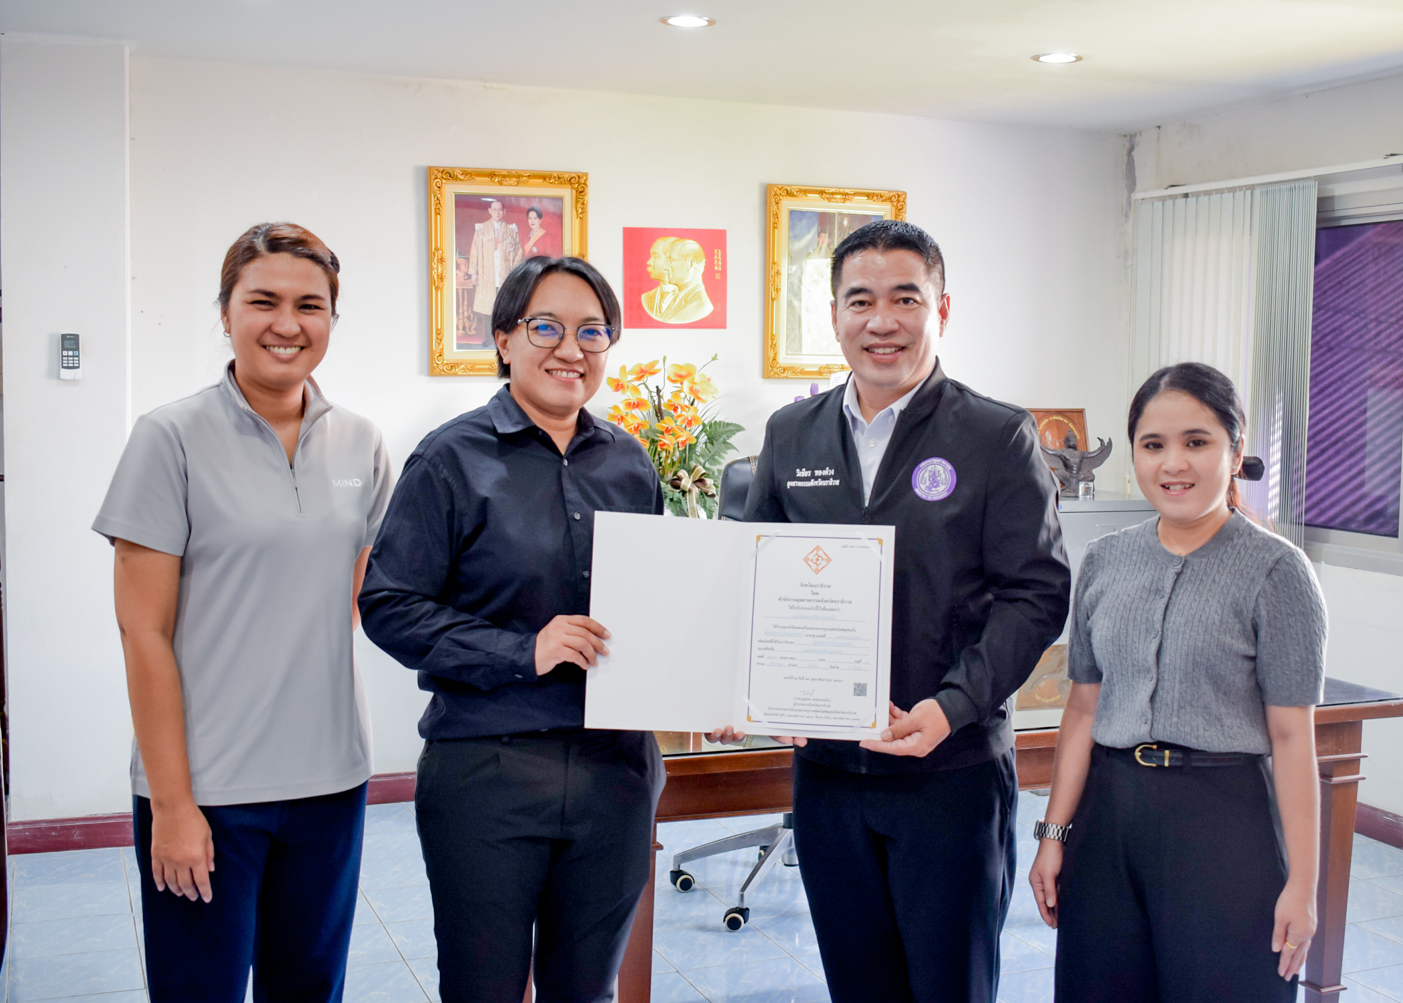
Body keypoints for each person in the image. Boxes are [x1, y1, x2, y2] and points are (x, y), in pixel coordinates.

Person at [722, 220, 1072, 1003]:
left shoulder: (996, 436)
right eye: (861, 300)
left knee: (948, 986)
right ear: (835, 315)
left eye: (905, 298)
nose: (882, 320)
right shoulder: (791, 433)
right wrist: (752, 687)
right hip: (828, 778)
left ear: (940, 309)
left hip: (948, 773)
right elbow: (751, 576)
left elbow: (1038, 594)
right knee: (859, 985)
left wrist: (952, 706)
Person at [93, 222, 391, 1002]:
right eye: (263, 301)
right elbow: (143, 632)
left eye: (310, 305)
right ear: (225, 312)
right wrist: (173, 804)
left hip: (330, 781)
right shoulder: (169, 437)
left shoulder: (361, 444)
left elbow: (359, 603)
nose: (287, 323)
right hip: (209, 787)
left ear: (331, 318)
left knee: (309, 989)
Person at [359, 256, 664, 1003]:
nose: (572, 349)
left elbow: (658, 602)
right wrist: (523, 650)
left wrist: (706, 680)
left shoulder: (630, 462)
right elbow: (388, 604)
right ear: (503, 338)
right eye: (546, 327)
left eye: (592, 331)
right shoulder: (450, 458)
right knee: (483, 988)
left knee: (586, 990)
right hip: (489, 773)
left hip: (614, 774)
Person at [1028, 362, 1325, 1002]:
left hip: (1224, 824)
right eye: (1153, 444)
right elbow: (1082, 710)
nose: (1173, 464)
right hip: (1108, 821)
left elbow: (1292, 739)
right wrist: (1053, 837)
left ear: (1235, 452)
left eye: (1197, 441)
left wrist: (1303, 885)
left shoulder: (1278, 572)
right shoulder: (1105, 560)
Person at [468, 199, 523, 347]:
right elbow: (474, 251)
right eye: (494, 209)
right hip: (487, 275)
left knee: (504, 307)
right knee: (488, 308)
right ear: (490, 211)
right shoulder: (481, 229)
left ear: (504, 212)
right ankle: (489, 338)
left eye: (500, 210)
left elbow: (518, 253)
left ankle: (505, 338)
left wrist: (515, 274)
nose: (497, 213)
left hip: (505, 275)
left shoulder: (511, 229)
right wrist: (474, 272)